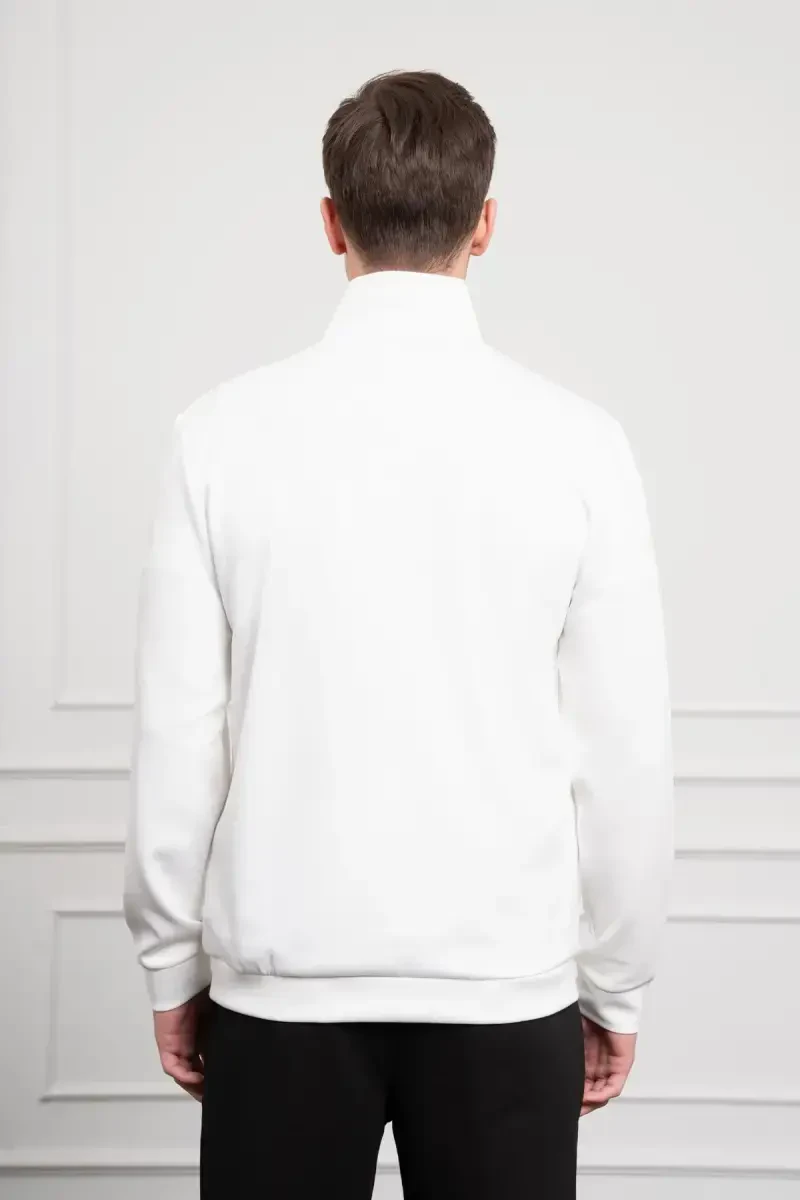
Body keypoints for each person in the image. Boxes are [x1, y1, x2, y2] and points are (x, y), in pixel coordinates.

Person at [123, 69, 674, 1199]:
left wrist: (171, 964)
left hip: (280, 994)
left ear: (331, 223)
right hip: (504, 991)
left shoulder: (216, 437)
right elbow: (623, 752)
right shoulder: (580, 445)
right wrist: (617, 982)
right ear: (486, 222)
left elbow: (181, 735)